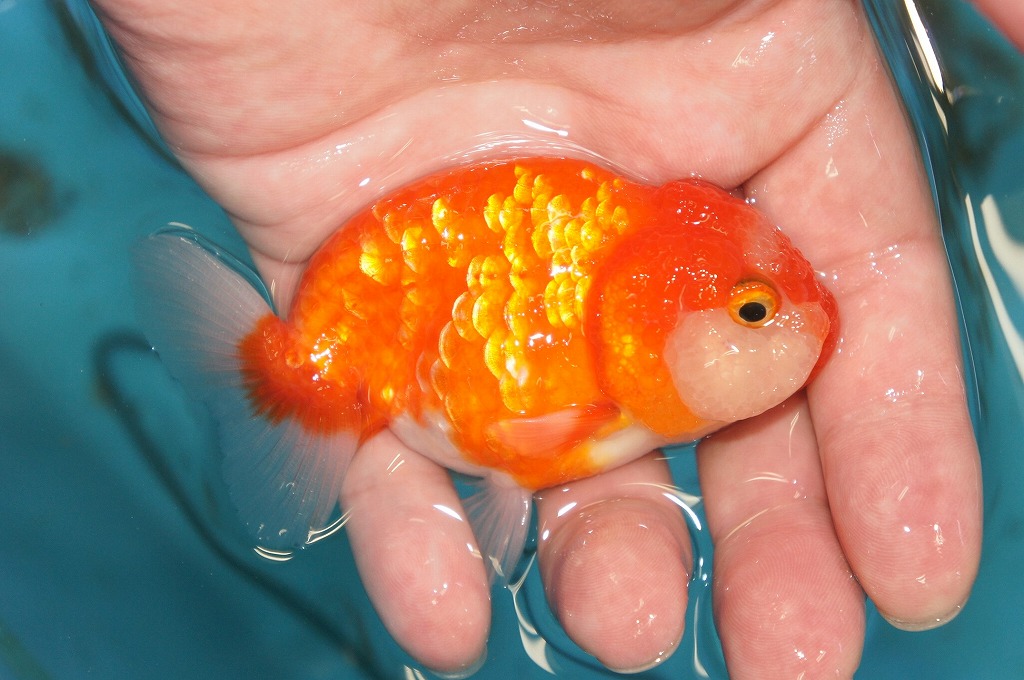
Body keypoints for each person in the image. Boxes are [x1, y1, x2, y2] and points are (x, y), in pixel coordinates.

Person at [86, 1, 996, 677]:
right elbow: (531, 437)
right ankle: (276, 389)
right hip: (372, 328)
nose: (801, 319)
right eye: (752, 312)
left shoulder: (622, 244)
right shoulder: (596, 344)